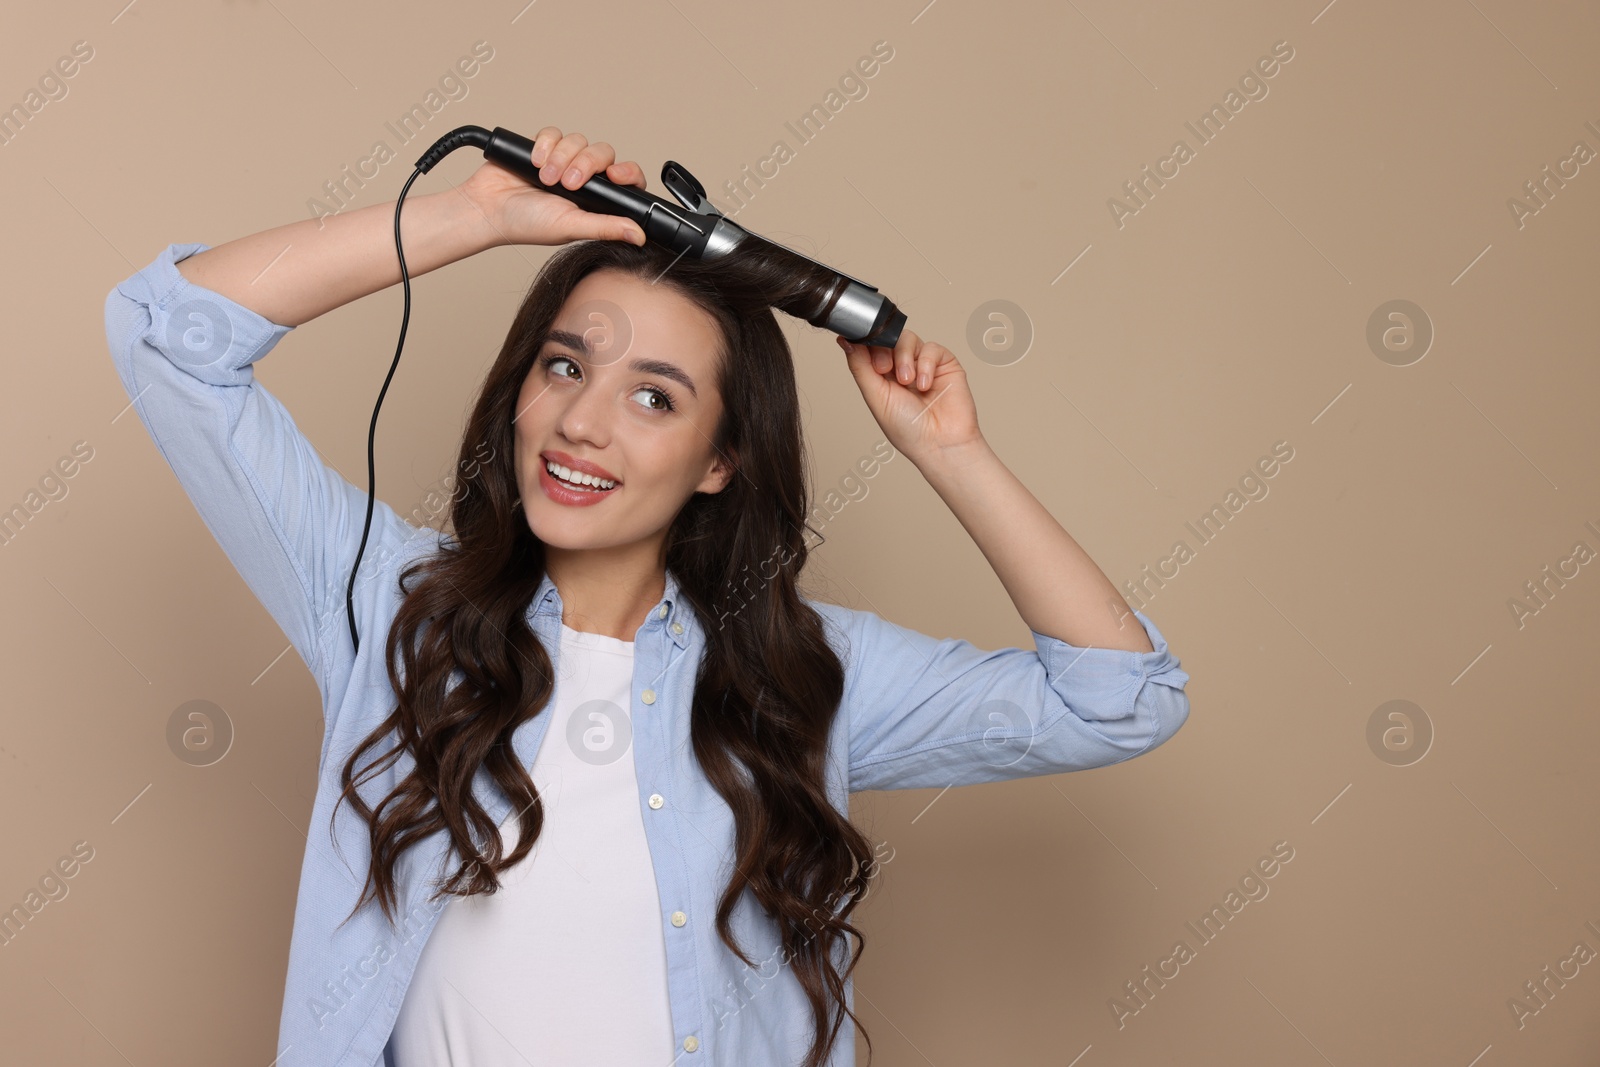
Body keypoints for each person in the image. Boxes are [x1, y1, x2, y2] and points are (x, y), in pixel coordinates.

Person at [102, 126, 1190, 1067]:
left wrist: (949, 453)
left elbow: (1117, 696)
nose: (583, 423)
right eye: (565, 366)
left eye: (654, 396)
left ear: (721, 458)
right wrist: (476, 215)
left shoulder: (801, 673)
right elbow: (168, 332)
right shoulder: (391, 609)